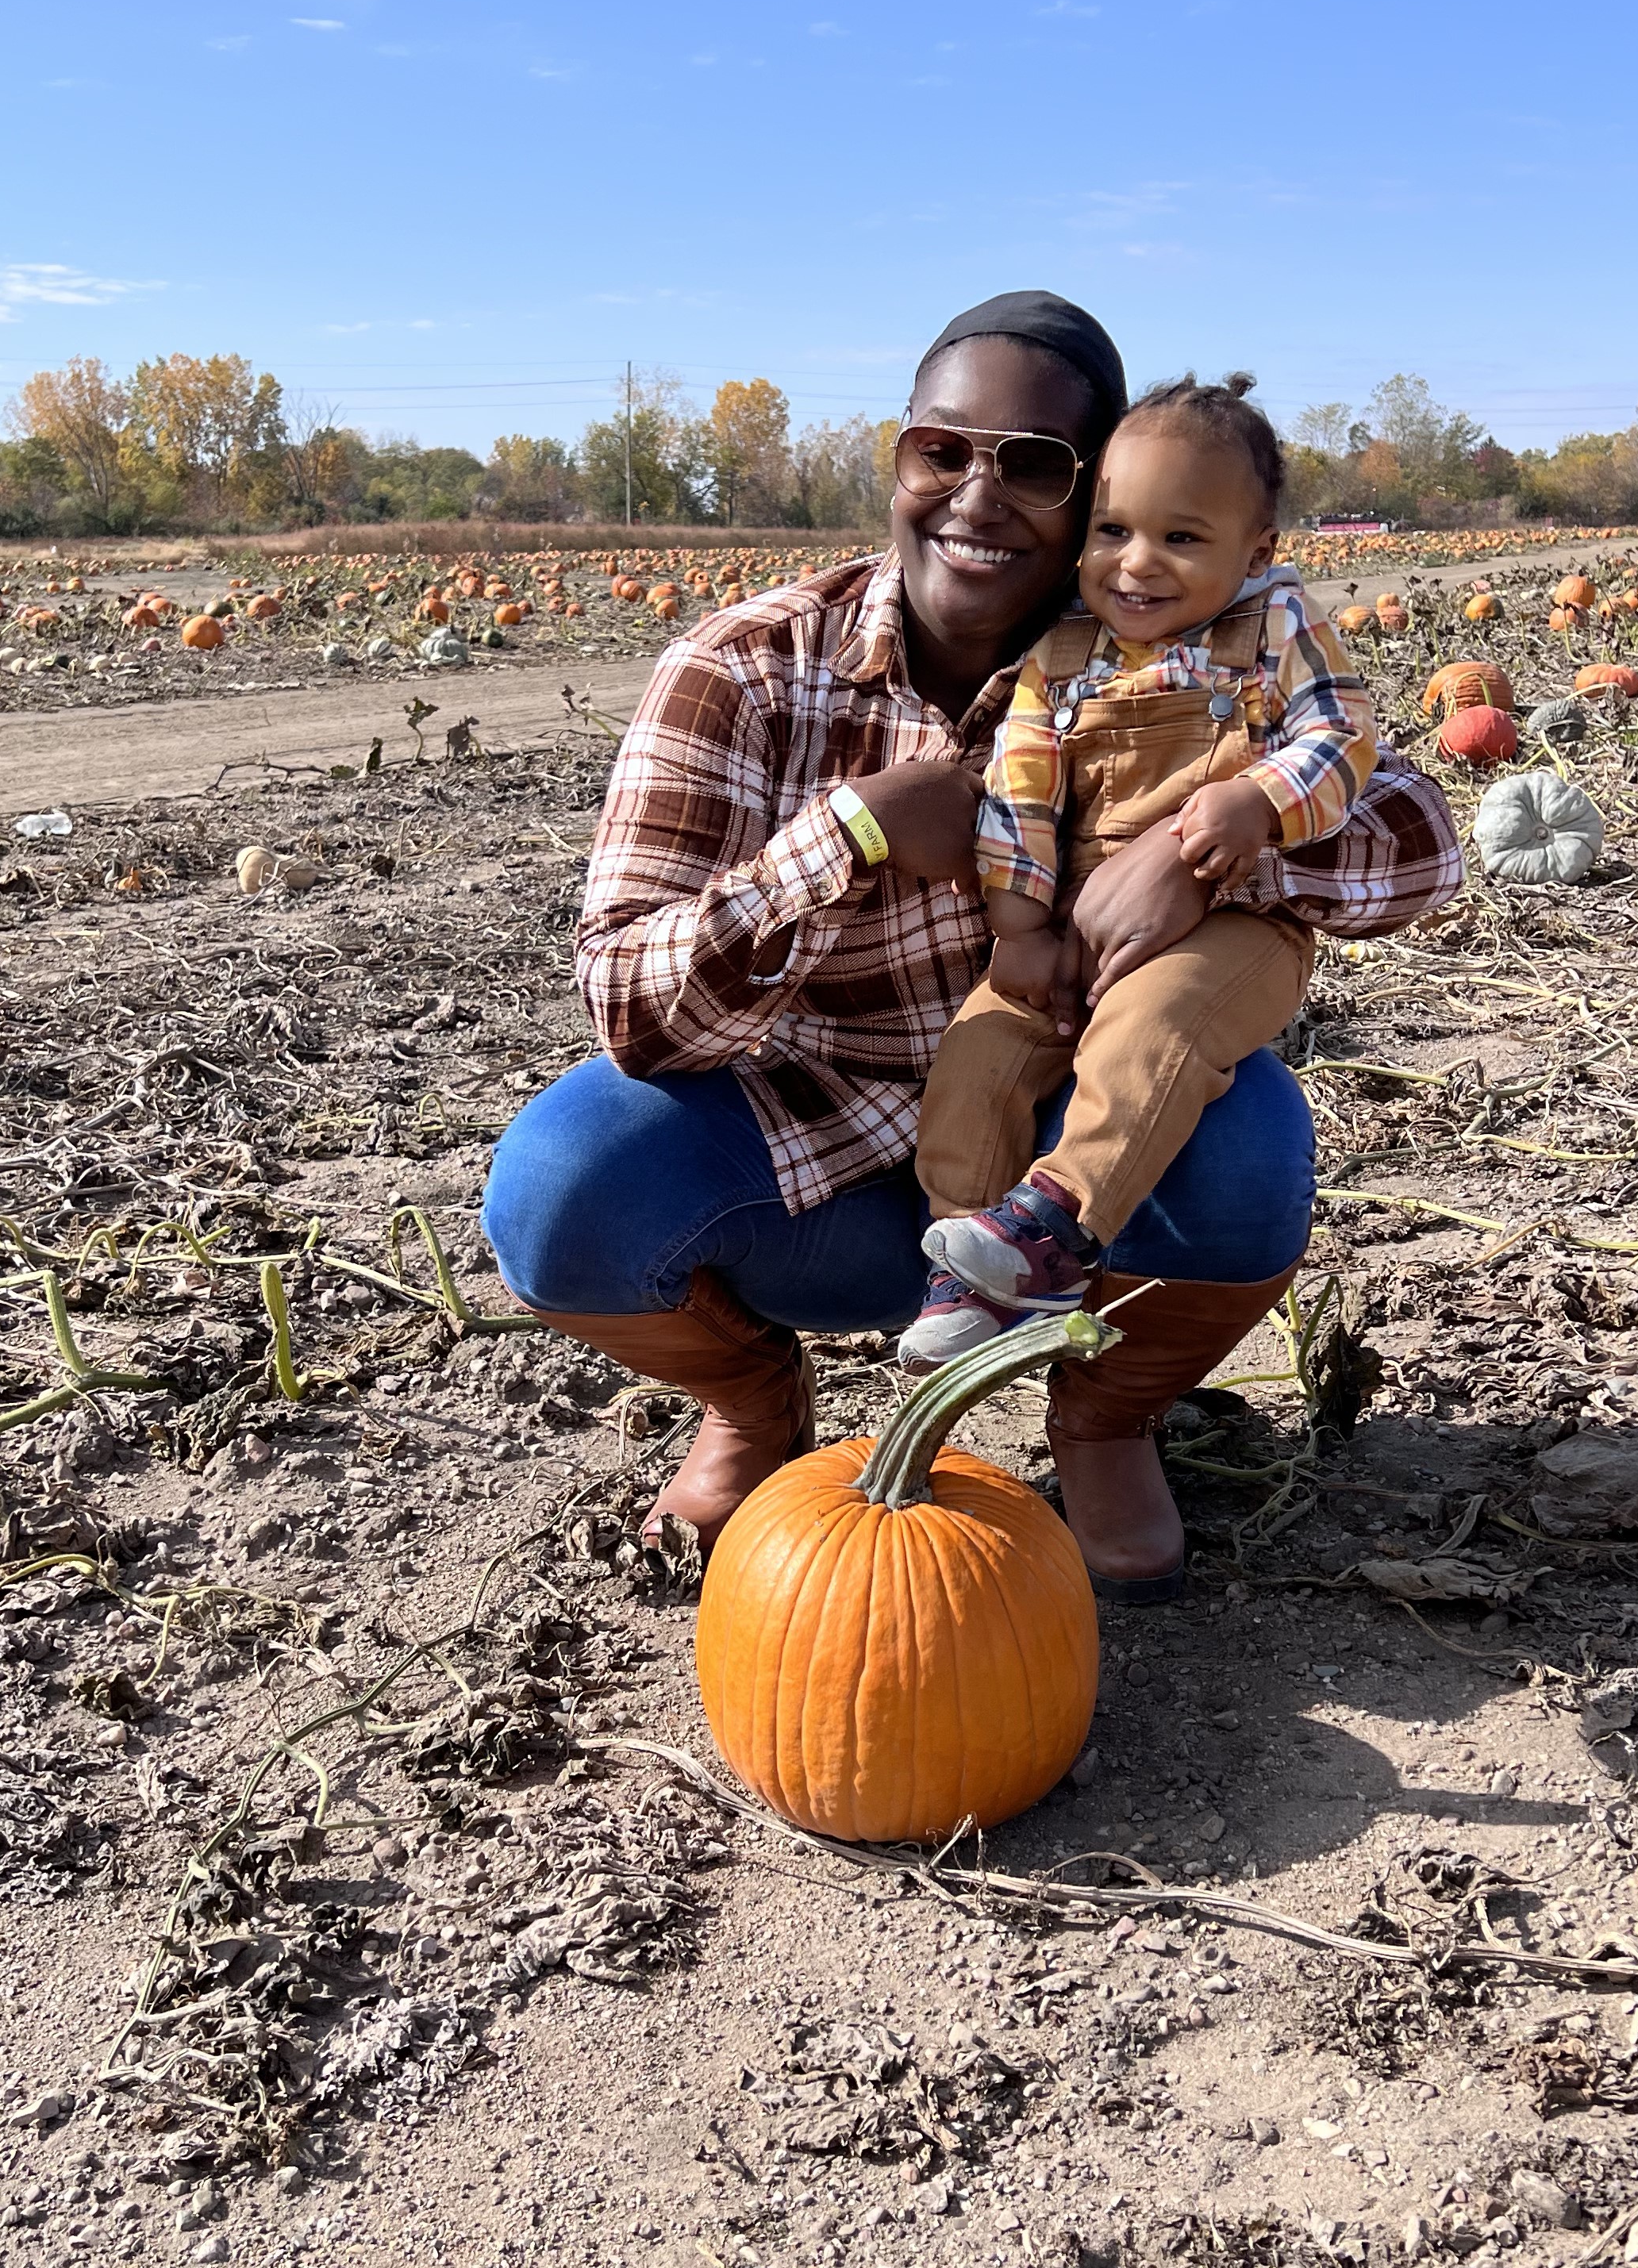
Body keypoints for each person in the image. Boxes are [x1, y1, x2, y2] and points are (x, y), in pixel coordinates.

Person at [480, 291, 1317, 1602]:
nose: (975, 495)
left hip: (1056, 1168)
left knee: (1254, 1147)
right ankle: (757, 1408)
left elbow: (1413, 838)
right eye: (940, 452)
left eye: (1031, 465)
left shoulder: (1188, 663)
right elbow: (626, 1007)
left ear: (1094, 496)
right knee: (561, 1184)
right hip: (805, 1151)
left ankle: (1101, 1420)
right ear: (898, 461)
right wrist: (848, 834)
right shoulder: (744, 668)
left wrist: (1215, 841)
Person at [902, 374, 1375, 1369]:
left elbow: (1342, 734)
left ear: (1258, 552)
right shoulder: (1062, 654)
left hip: (1230, 931)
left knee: (1148, 1034)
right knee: (978, 1054)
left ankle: (1058, 1232)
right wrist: (1022, 925)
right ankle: (967, 1259)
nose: (1136, 564)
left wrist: (1259, 801)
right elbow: (1020, 788)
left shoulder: (1272, 626)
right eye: (1112, 531)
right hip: (1071, 922)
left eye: (1183, 539)